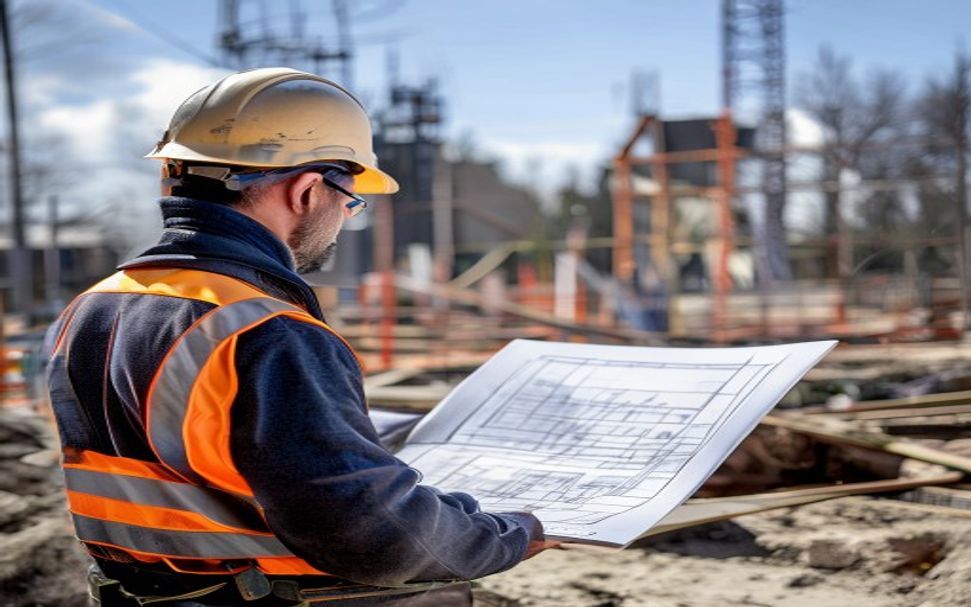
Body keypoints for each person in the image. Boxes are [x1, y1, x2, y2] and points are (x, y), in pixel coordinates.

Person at [46, 67, 550, 607]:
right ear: (309, 191)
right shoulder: (266, 330)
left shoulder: (95, 305)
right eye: (349, 201)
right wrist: (509, 535)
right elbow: (371, 537)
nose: (343, 217)